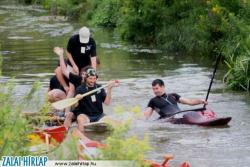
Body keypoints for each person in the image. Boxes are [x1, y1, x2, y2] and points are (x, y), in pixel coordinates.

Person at [55, 26, 97, 93]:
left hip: (85, 66)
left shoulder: (91, 42)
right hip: (73, 63)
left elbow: (93, 58)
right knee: (73, 86)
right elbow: (68, 52)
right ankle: (70, 94)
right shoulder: (73, 39)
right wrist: (74, 65)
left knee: (87, 84)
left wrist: (93, 72)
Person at [144, 79, 208, 119]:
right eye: (153, 89)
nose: (155, 91)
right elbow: (145, 116)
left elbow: (190, 102)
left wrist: (200, 101)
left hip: (181, 115)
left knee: (194, 113)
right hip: (169, 119)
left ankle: (205, 119)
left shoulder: (173, 95)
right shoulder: (153, 101)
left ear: (163, 87)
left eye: (156, 88)